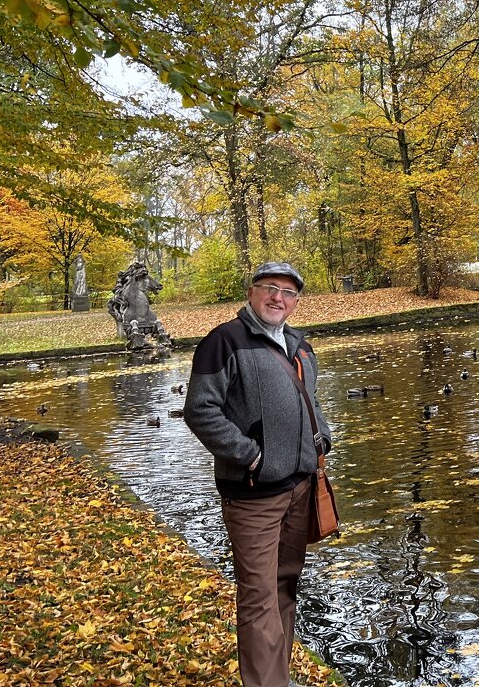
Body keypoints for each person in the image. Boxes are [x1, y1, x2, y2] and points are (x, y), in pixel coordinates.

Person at [183, 262, 332, 687]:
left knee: (286, 585)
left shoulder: (301, 347)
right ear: (252, 292)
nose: (278, 298)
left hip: (300, 487)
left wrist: (322, 438)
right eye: (270, 288)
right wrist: (252, 457)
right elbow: (200, 410)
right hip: (253, 494)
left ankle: (276, 677)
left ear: (296, 302)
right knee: (258, 596)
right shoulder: (223, 342)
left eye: (288, 293)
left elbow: (313, 404)